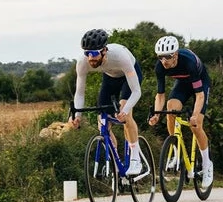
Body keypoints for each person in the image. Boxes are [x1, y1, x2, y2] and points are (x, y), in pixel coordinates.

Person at [69, 28, 144, 175]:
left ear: (104, 50)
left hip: (128, 77)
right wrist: (77, 115)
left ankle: (136, 160)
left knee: (125, 112)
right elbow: (79, 93)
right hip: (109, 78)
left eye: (95, 53)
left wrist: (125, 111)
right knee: (102, 121)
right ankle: (117, 165)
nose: (91, 58)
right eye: (87, 53)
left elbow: (136, 91)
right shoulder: (82, 63)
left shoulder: (120, 56)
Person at [146, 35, 213, 187]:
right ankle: (176, 150)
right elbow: (160, 95)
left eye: (167, 57)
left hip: (200, 85)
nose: (164, 61)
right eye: (160, 58)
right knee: (170, 110)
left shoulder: (188, 63)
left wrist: (195, 116)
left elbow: (199, 95)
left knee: (196, 125)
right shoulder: (160, 67)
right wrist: (157, 114)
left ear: (175, 55)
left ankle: (207, 165)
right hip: (182, 84)